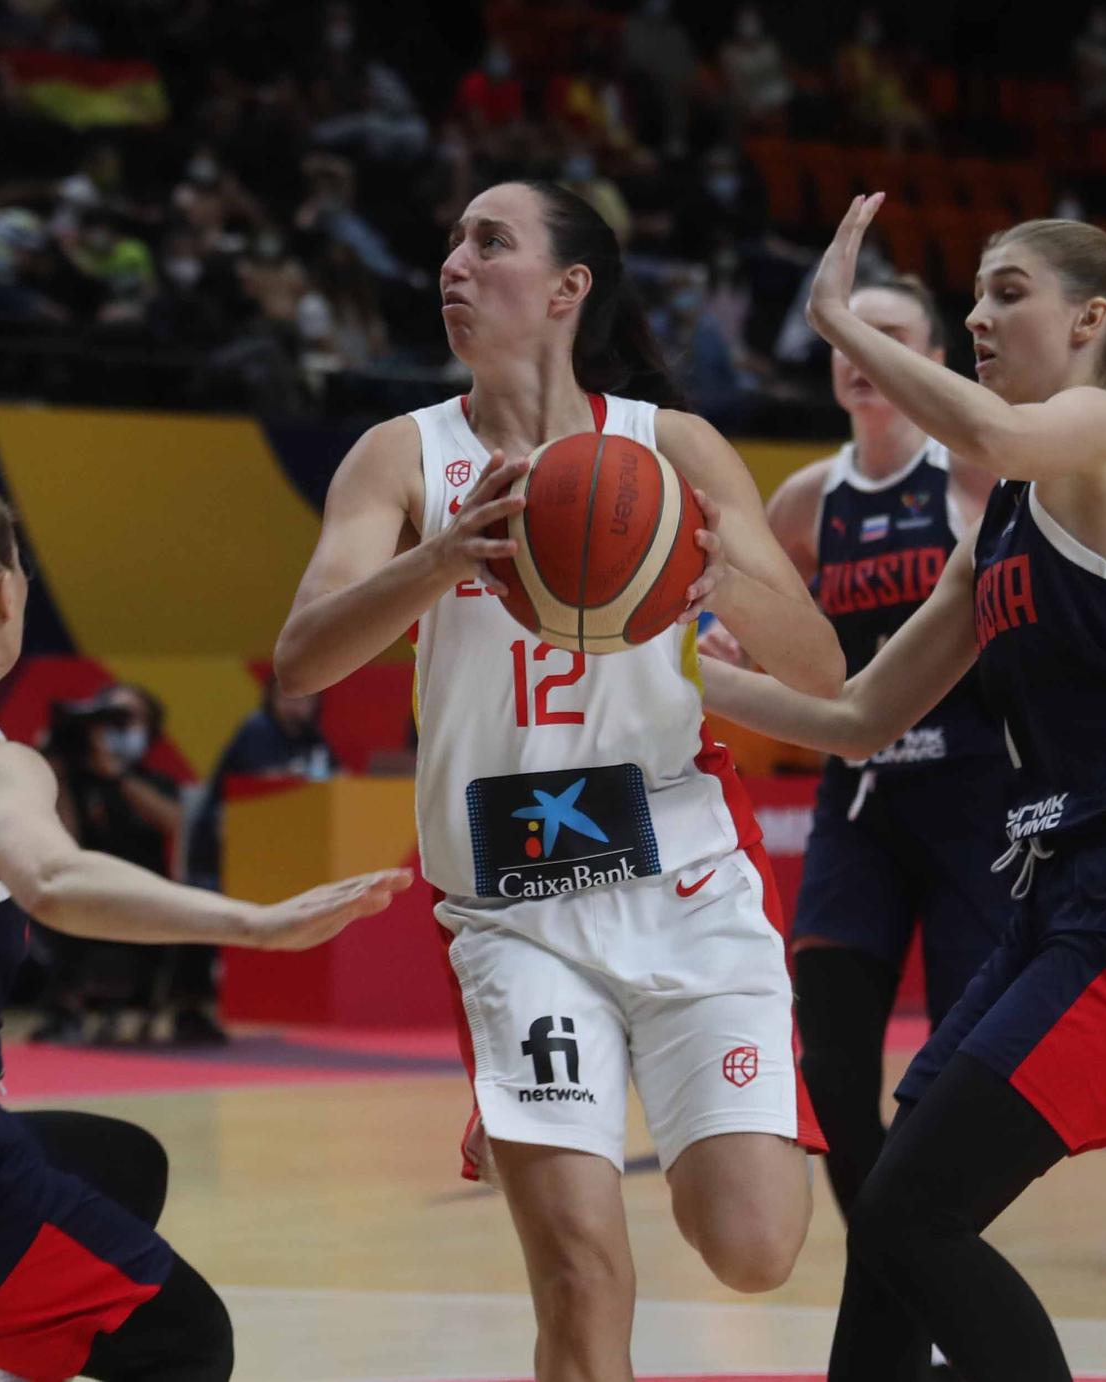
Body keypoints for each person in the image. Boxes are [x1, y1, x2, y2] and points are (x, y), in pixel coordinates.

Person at [275, 180, 844, 1376]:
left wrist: (718, 580)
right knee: (582, 1275)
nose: (455, 263)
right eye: (450, 244)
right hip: (510, 909)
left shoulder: (668, 448)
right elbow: (301, 661)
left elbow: (823, 672)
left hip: (684, 874)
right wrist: (441, 558)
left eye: (490, 243)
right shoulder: (403, 455)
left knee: (753, 1244)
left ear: (568, 288)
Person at [700, 200, 1106, 1380]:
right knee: (891, 1213)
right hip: (1056, 907)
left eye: (1007, 293)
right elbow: (857, 715)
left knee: (912, 1216)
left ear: (1088, 318)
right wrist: (663, 676)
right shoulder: (1002, 518)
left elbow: (996, 431)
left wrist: (839, 317)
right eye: (974, 300)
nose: (981, 318)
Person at [0, 469, 410, 1380]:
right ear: (5, 595)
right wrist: (257, 924)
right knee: (186, 1336)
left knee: (121, 1170)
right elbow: (53, 878)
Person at [701, 273, 1011, 1231]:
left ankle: (927, 1270)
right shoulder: (807, 500)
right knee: (832, 1068)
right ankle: (893, 1270)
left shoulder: (973, 476)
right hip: (862, 802)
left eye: (886, 332)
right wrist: (727, 640)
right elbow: (758, 625)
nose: (858, 350)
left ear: (928, 358)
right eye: (847, 333)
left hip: (974, 799)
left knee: (956, 1078)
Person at [179, 678, 336, 1047]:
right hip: (221, 853)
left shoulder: (312, 738)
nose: (298, 706)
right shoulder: (257, 730)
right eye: (289, 697)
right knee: (210, 914)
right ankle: (192, 1007)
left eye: (307, 698)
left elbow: (334, 779)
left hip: (275, 856)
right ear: (271, 698)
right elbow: (265, 785)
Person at [34, 684, 192, 1047]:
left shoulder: (153, 782)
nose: (116, 726)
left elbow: (175, 822)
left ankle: (185, 1009)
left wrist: (117, 776)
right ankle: (64, 1010)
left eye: (128, 717)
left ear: (150, 728)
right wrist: (55, 777)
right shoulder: (73, 778)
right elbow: (63, 845)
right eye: (109, 716)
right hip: (88, 889)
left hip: (148, 891)